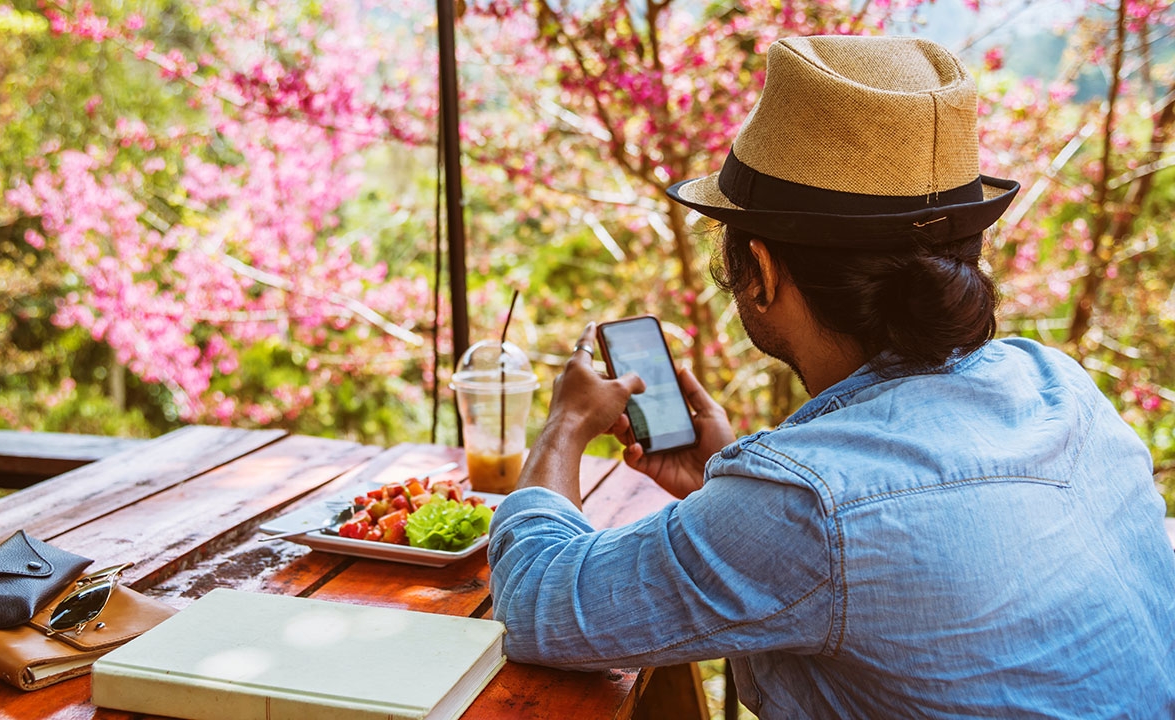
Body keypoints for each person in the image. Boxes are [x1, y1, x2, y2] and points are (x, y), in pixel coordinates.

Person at [486, 34, 1175, 718]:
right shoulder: (1059, 383)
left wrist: (565, 426)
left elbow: (532, 606)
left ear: (760, 269)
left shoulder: (809, 506)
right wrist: (727, 485)